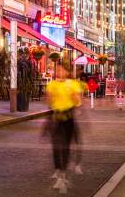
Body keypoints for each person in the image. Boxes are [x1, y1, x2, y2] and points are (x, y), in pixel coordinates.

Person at [44, 63, 83, 194]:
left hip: (68, 117)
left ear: (67, 72)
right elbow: (49, 101)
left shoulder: (73, 84)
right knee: (55, 146)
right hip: (55, 117)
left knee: (65, 146)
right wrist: (51, 98)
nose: (59, 72)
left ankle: (63, 175)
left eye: (62, 70)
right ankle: (58, 172)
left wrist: (75, 98)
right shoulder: (52, 84)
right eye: (58, 70)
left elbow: (78, 101)